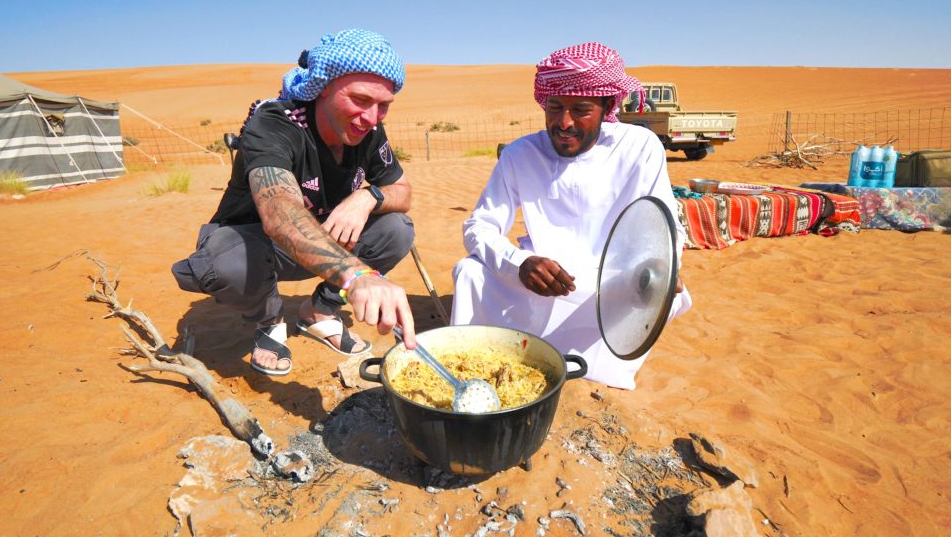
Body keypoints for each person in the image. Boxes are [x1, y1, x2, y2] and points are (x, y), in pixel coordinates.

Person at [172, 28, 418, 376]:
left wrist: (369, 196)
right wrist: (357, 275)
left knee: (396, 229)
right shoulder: (274, 125)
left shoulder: (369, 131)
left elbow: (403, 192)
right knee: (222, 263)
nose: (372, 117)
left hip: (319, 244)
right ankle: (269, 320)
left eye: (384, 106)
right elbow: (281, 215)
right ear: (324, 87)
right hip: (254, 249)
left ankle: (319, 311)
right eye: (361, 100)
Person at [450, 42, 692, 390]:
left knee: (662, 292)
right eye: (555, 108)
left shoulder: (640, 146)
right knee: (470, 273)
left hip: (612, 280)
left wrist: (663, 269)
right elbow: (479, 226)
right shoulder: (521, 153)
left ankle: (594, 370)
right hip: (541, 282)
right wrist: (519, 263)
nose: (564, 122)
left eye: (580, 109)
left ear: (608, 105)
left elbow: (665, 225)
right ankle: (480, 362)